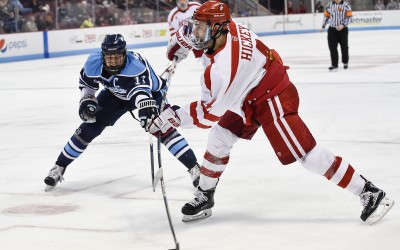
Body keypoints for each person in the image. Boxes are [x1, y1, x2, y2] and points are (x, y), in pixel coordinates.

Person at [149, 1, 395, 224]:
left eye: (202, 29)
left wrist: (172, 116)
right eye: (196, 27)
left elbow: (207, 114)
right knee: (219, 138)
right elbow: (198, 36)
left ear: (218, 29)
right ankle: (205, 194)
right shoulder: (228, 26)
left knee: (308, 155)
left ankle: (370, 192)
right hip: (247, 91)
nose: (197, 33)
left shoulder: (224, 69)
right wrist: (182, 41)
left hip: (271, 97)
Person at [44, 34, 200, 191]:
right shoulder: (94, 62)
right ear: (103, 55)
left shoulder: (136, 66)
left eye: (117, 57)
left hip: (149, 94)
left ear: (125, 54)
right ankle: (59, 167)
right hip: (115, 94)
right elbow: (87, 83)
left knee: (161, 127)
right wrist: (87, 99)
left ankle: (195, 168)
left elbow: (140, 93)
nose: (113, 62)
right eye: (109, 57)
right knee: (88, 128)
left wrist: (145, 109)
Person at [320, 0, 352, 71]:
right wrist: (323, 26)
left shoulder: (346, 5)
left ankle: (345, 62)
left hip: (343, 30)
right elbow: (326, 16)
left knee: (344, 46)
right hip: (332, 29)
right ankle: (334, 64)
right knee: (332, 47)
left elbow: (349, 17)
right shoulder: (329, 5)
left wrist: (343, 25)